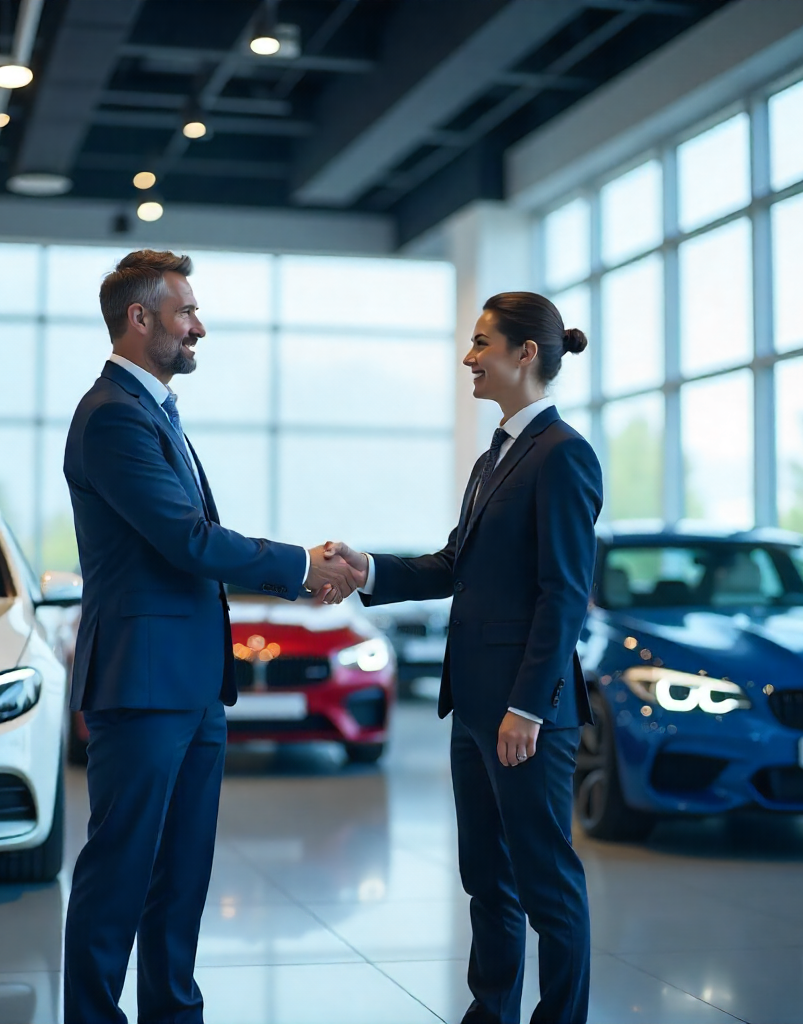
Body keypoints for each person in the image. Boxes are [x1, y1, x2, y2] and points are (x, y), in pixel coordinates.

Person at [61, 249, 359, 1024]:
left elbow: (196, 542)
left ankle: (172, 1014)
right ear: (140, 318)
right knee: (121, 870)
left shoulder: (153, 411)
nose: (199, 324)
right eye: (186, 310)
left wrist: (300, 572)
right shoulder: (112, 418)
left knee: (183, 872)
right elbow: (189, 541)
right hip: (143, 682)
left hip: (190, 682)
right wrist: (301, 564)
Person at [328, 291, 602, 1024]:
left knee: (547, 884)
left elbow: (564, 595)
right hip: (474, 706)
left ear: (525, 354)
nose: (469, 358)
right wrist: (368, 570)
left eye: (483, 343)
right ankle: (491, 1013)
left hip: (525, 715)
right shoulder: (497, 457)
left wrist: (525, 706)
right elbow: (456, 564)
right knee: (487, 878)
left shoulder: (564, 455)